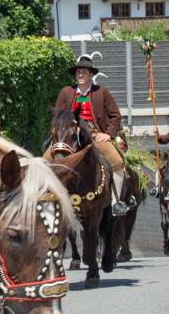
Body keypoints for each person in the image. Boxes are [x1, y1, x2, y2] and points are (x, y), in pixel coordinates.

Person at [54, 56, 130, 213]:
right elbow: (57, 115)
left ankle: (117, 202)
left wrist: (108, 134)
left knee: (117, 161)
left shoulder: (101, 92)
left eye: (84, 72)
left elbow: (116, 116)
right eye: (78, 73)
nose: (80, 75)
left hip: (96, 136)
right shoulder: (66, 92)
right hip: (69, 136)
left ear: (90, 75)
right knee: (45, 160)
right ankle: (48, 198)